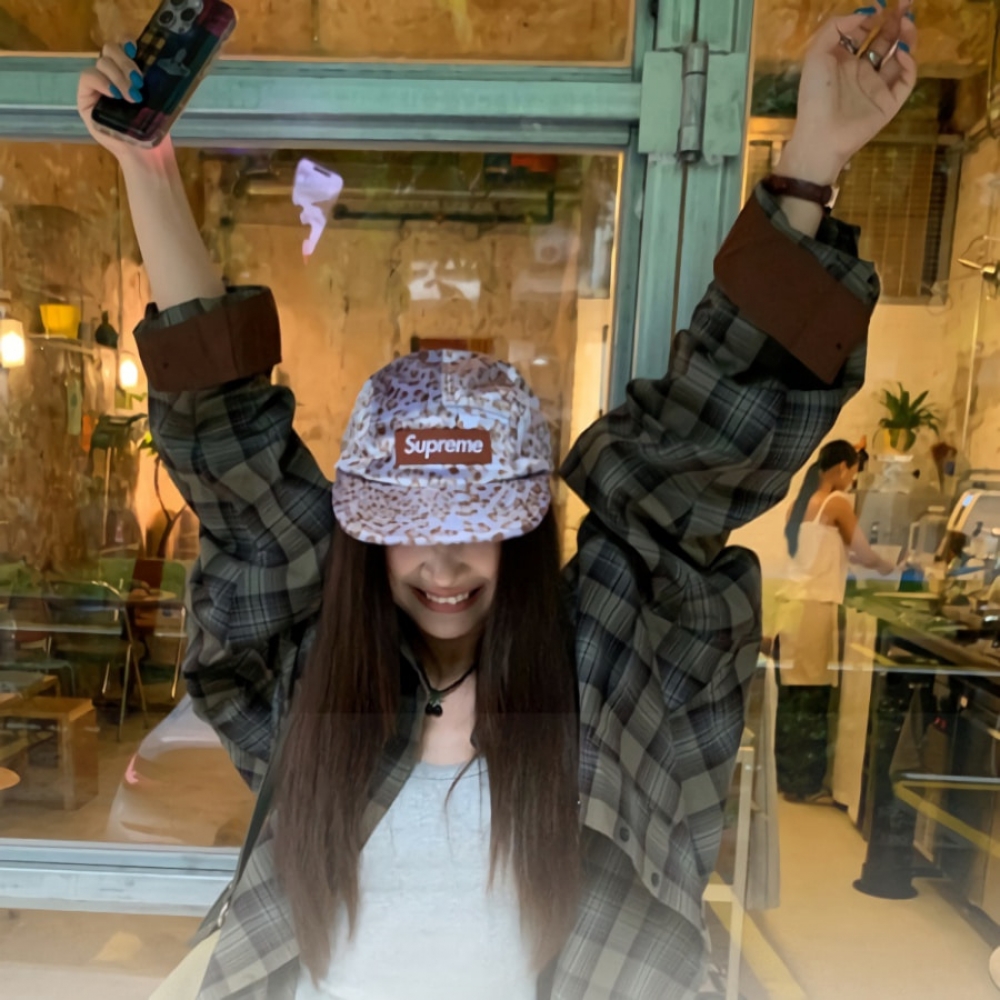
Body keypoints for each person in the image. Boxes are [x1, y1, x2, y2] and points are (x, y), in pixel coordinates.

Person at [76, 4, 917, 998]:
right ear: (365, 539)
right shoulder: (323, 686)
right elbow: (234, 454)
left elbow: (700, 450)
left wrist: (811, 161)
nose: (443, 564)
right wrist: (148, 169)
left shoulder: (598, 676)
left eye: (477, 530)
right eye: (407, 531)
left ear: (524, 533)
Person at [775, 439, 896, 803]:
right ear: (842, 467)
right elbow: (863, 551)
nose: (852, 480)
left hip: (790, 606)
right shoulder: (837, 502)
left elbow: (832, 552)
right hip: (813, 608)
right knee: (811, 699)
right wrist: (892, 568)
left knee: (791, 697)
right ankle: (804, 785)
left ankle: (787, 779)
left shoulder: (798, 505)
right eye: (853, 472)